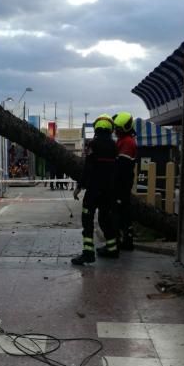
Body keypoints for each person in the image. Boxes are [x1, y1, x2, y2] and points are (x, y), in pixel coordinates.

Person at [71, 114, 119, 265]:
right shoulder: (114, 146)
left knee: (88, 220)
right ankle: (112, 249)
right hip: (109, 191)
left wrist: (79, 187)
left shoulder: (93, 145)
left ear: (97, 127)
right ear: (110, 129)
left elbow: (88, 169)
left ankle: (88, 253)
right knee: (105, 219)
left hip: (94, 191)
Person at [109, 111, 137, 252]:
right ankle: (126, 239)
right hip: (123, 184)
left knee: (119, 213)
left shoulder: (127, 143)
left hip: (121, 185)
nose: (116, 131)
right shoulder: (124, 140)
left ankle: (122, 240)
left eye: (118, 129)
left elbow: (121, 167)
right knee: (124, 212)